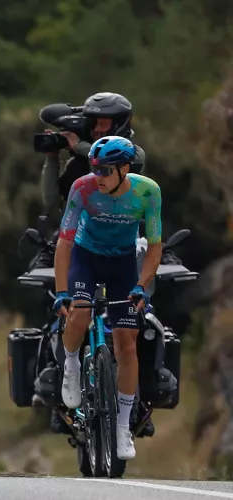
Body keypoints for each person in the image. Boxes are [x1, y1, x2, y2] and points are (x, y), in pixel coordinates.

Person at [54, 135, 162, 461]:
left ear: (124, 169)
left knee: (127, 344)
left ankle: (123, 427)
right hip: (86, 258)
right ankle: (72, 365)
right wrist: (62, 290)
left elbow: (154, 245)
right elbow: (65, 242)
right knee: (80, 313)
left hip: (122, 264)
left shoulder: (147, 192)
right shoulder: (82, 188)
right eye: (94, 168)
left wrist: (141, 285)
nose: (97, 176)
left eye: (104, 170)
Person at [34, 92, 146, 268]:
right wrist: (52, 158)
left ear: (119, 124)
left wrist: (79, 145)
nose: (96, 130)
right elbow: (51, 201)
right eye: (93, 124)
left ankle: (163, 254)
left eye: (103, 124)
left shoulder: (133, 154)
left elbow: (114, 159)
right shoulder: (77, 166)